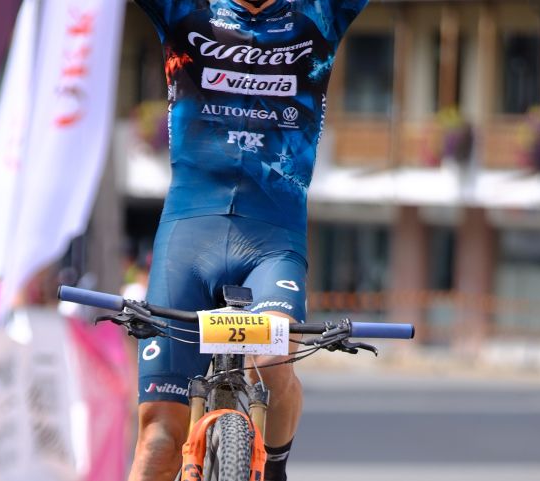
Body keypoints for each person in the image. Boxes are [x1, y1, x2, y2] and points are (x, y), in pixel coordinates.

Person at [130, 1, 370, 480]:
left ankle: (274, 466)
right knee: (158, 440)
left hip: (273, 240)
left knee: (272, 359)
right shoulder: (186, 9)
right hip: (188, 234)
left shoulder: (318, 12)